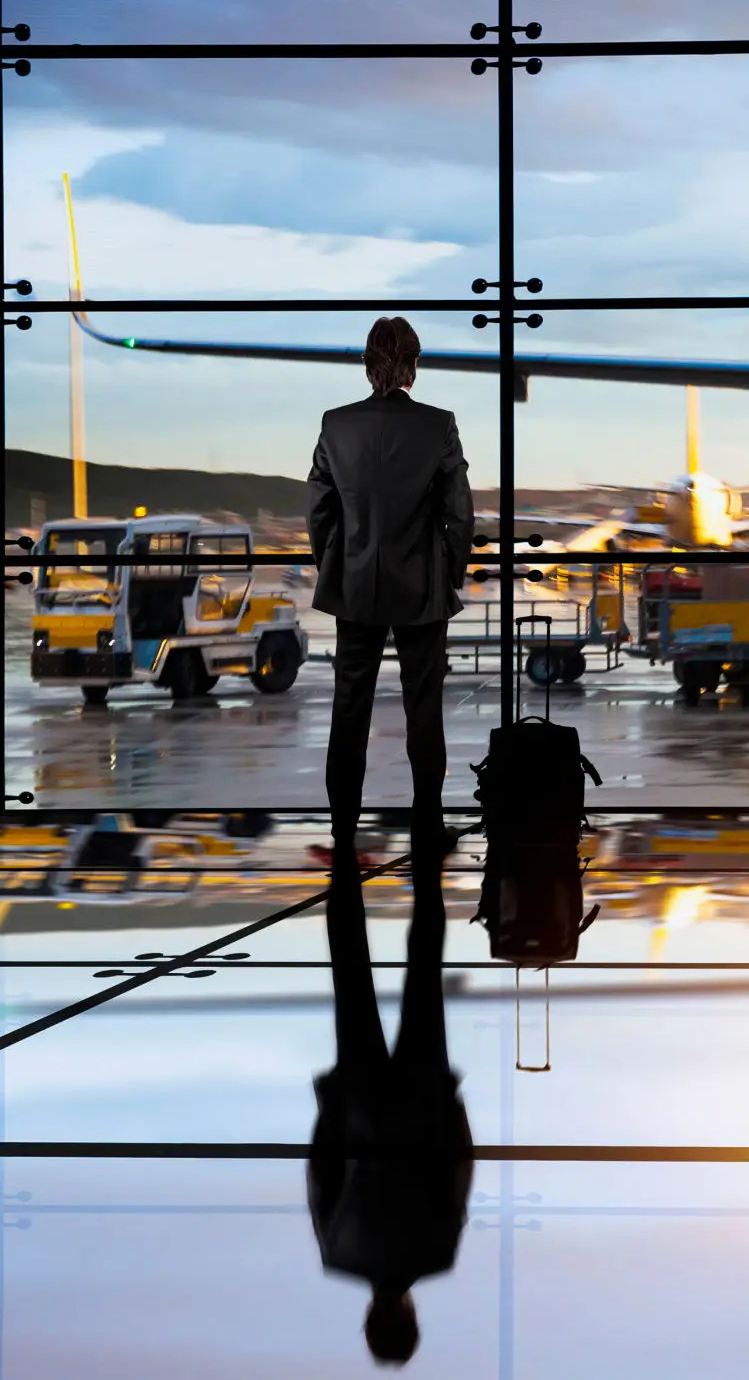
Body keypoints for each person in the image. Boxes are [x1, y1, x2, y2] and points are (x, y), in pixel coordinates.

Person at [308, 318, 474, 858]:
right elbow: (459, 515)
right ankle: (428, 824)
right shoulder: (438, 425)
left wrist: (338, 566)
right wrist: (447, 578)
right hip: (421, 590)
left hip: (354, 587)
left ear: (368, 363)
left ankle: (343, 829)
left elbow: (319, 512)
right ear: (414, 364)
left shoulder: (337, 424)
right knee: (423, 711)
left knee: (349, 709)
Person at [308, 847, 473, 1367]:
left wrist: (451, 1103)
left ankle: (430, 858)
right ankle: (343, 855)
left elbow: (458, 1169)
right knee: (350, 972)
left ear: (413, 1317)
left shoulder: (438, 1255)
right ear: (369, 1321)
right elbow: (321, 1170)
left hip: (422, 1100)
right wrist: (335, 1104)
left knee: (424, 966)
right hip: (360, 1104)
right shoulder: (338, 1254)